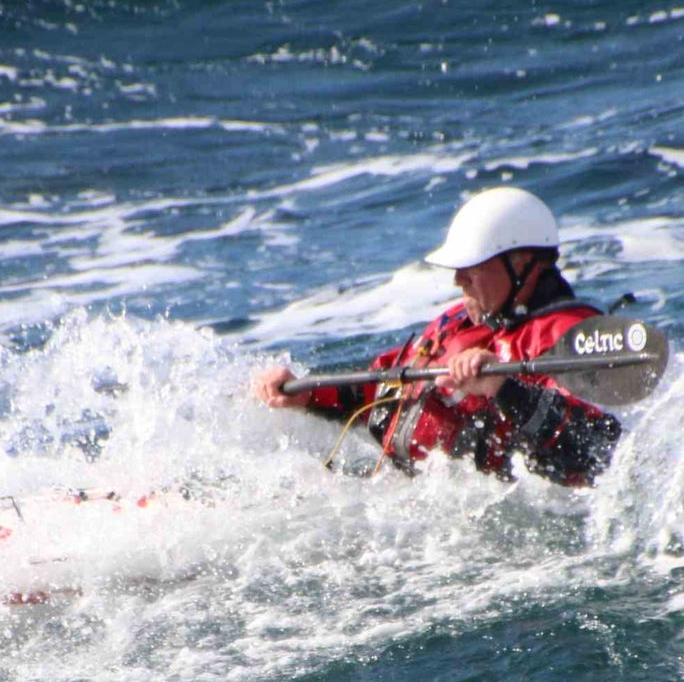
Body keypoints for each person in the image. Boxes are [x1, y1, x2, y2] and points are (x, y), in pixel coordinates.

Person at [251, 186, 622, 486]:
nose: (457, 280)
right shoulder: (459, 321)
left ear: (523, 262)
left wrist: (502, 388)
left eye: (471, 267)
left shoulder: (571, 335)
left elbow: (597, 450)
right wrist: (306, 391)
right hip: (402, 496)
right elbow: (381, 387)